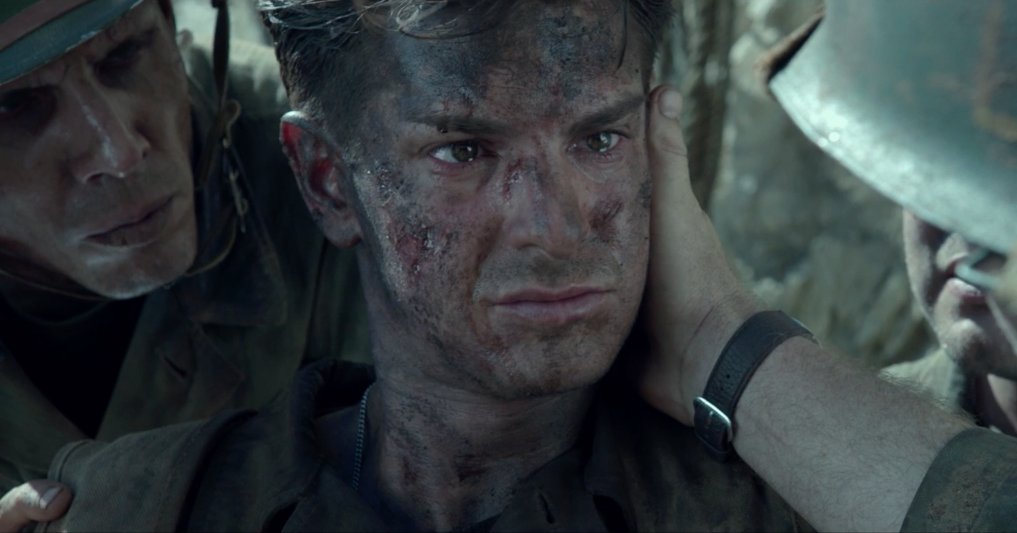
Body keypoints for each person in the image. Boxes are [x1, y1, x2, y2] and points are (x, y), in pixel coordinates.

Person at [28, 0, 1017, 531]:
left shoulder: (802, 484)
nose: (553, 225)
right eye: (465, 151)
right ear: (327, 179)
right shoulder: (145, 503)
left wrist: (721, 338)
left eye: (598, 138)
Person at [0, 0, 367, 529]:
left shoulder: (334, 159)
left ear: (170, 26)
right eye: (13, 106)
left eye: (125, 53)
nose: (119, 152)